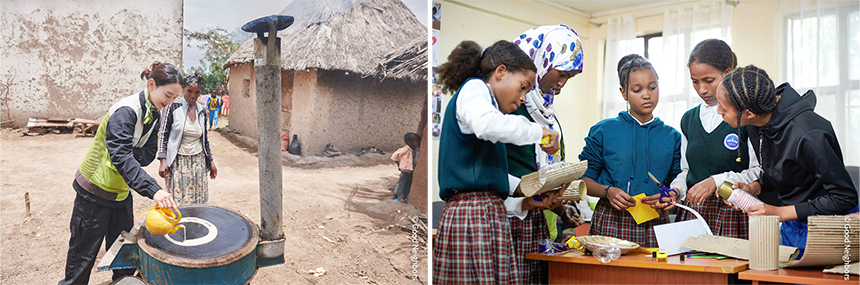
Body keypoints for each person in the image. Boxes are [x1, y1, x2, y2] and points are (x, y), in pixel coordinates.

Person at [433, 40, 561, 284]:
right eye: (523, 87)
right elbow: (486, 126)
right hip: (472, 219)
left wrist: (524, 197)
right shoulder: (475, 89)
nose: (523, 98)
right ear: (500, 72)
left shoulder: (490, 109)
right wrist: (541, 133)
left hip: (487, 215)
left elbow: (484, 178)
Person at [715, 65, 858, 257]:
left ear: (748, 113)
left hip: (828, 227)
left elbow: (844, 197)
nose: (718, 112)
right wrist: (754, 188)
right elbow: (783, 173)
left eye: (723, 108)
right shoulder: (755, 126)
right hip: (792, 223)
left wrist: (780, 213)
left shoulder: (809, 135)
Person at [59, 62, 181, 285]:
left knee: (124, 253)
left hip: (121, 192)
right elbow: (121, 157)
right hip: (94, 192)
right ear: (152, 84)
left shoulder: (155, 114)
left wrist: (127, 153)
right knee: (83, 258)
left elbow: (148, 154)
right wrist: (154, 190)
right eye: (168, 95)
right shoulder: (126, 112)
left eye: (174, 98)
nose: (170, 102)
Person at [506, 24, 584, 285]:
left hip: (538, 222)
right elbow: (491, 167)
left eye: (569, 78)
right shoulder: (508, 109)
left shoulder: (547, 115)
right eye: (561, 74)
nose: (562, 83)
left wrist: (562, 205)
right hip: (509, 222)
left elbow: (549, 169)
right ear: (539, 62)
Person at [578, 54, 681, 247]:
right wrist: (607, 191)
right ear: (623, 93)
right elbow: (583, 180)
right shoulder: (603, 131)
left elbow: (679, 180)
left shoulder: (672, 136)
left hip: (656, 222)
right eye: (637, 89)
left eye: (652, 87)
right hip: (611, 221)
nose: (646, 94)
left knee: (656, 277)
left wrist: (670, 195)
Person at [669, 39, 761, 239]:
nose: (701, 89)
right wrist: (676, 190)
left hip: (733, 212)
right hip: (694, 214)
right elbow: (687, 170)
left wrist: (716, 181)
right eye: (695, 81)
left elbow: (758, 172)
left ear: (728, 74)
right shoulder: (688, 119)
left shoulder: (746, 117)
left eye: (709, 81)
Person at [157, 72, 217, 205]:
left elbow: (204, 139)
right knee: (179, 200)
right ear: (183, 88)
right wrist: (162, 159)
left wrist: (211, 161)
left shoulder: (202, 110)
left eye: (197, 92)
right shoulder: (172, 107)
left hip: (198, 162)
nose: (193, 95)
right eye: (189, 91)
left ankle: (196, 223)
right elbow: (163, 134)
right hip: (179, 162)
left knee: (197, 199)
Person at [391, 132, 420, 203]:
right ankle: (395, 197)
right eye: (417, 141)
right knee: (401, 184)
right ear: (410, 142)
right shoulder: (405, 149)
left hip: (411, 170)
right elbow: (394, 156)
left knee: (408, 184)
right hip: (405, 170)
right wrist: (399, 166)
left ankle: (404, 197)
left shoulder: (416, 149)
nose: (419, 142)